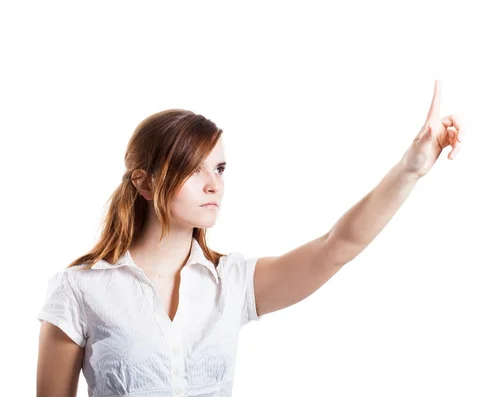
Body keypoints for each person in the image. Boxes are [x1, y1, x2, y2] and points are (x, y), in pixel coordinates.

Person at [36, 80, 464, 397]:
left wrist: (411, 168)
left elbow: (338, 246)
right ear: (145, 185)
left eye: (219, 169)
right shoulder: (79, 289)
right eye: (193, 169)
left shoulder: (232, 282)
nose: (213, 185)